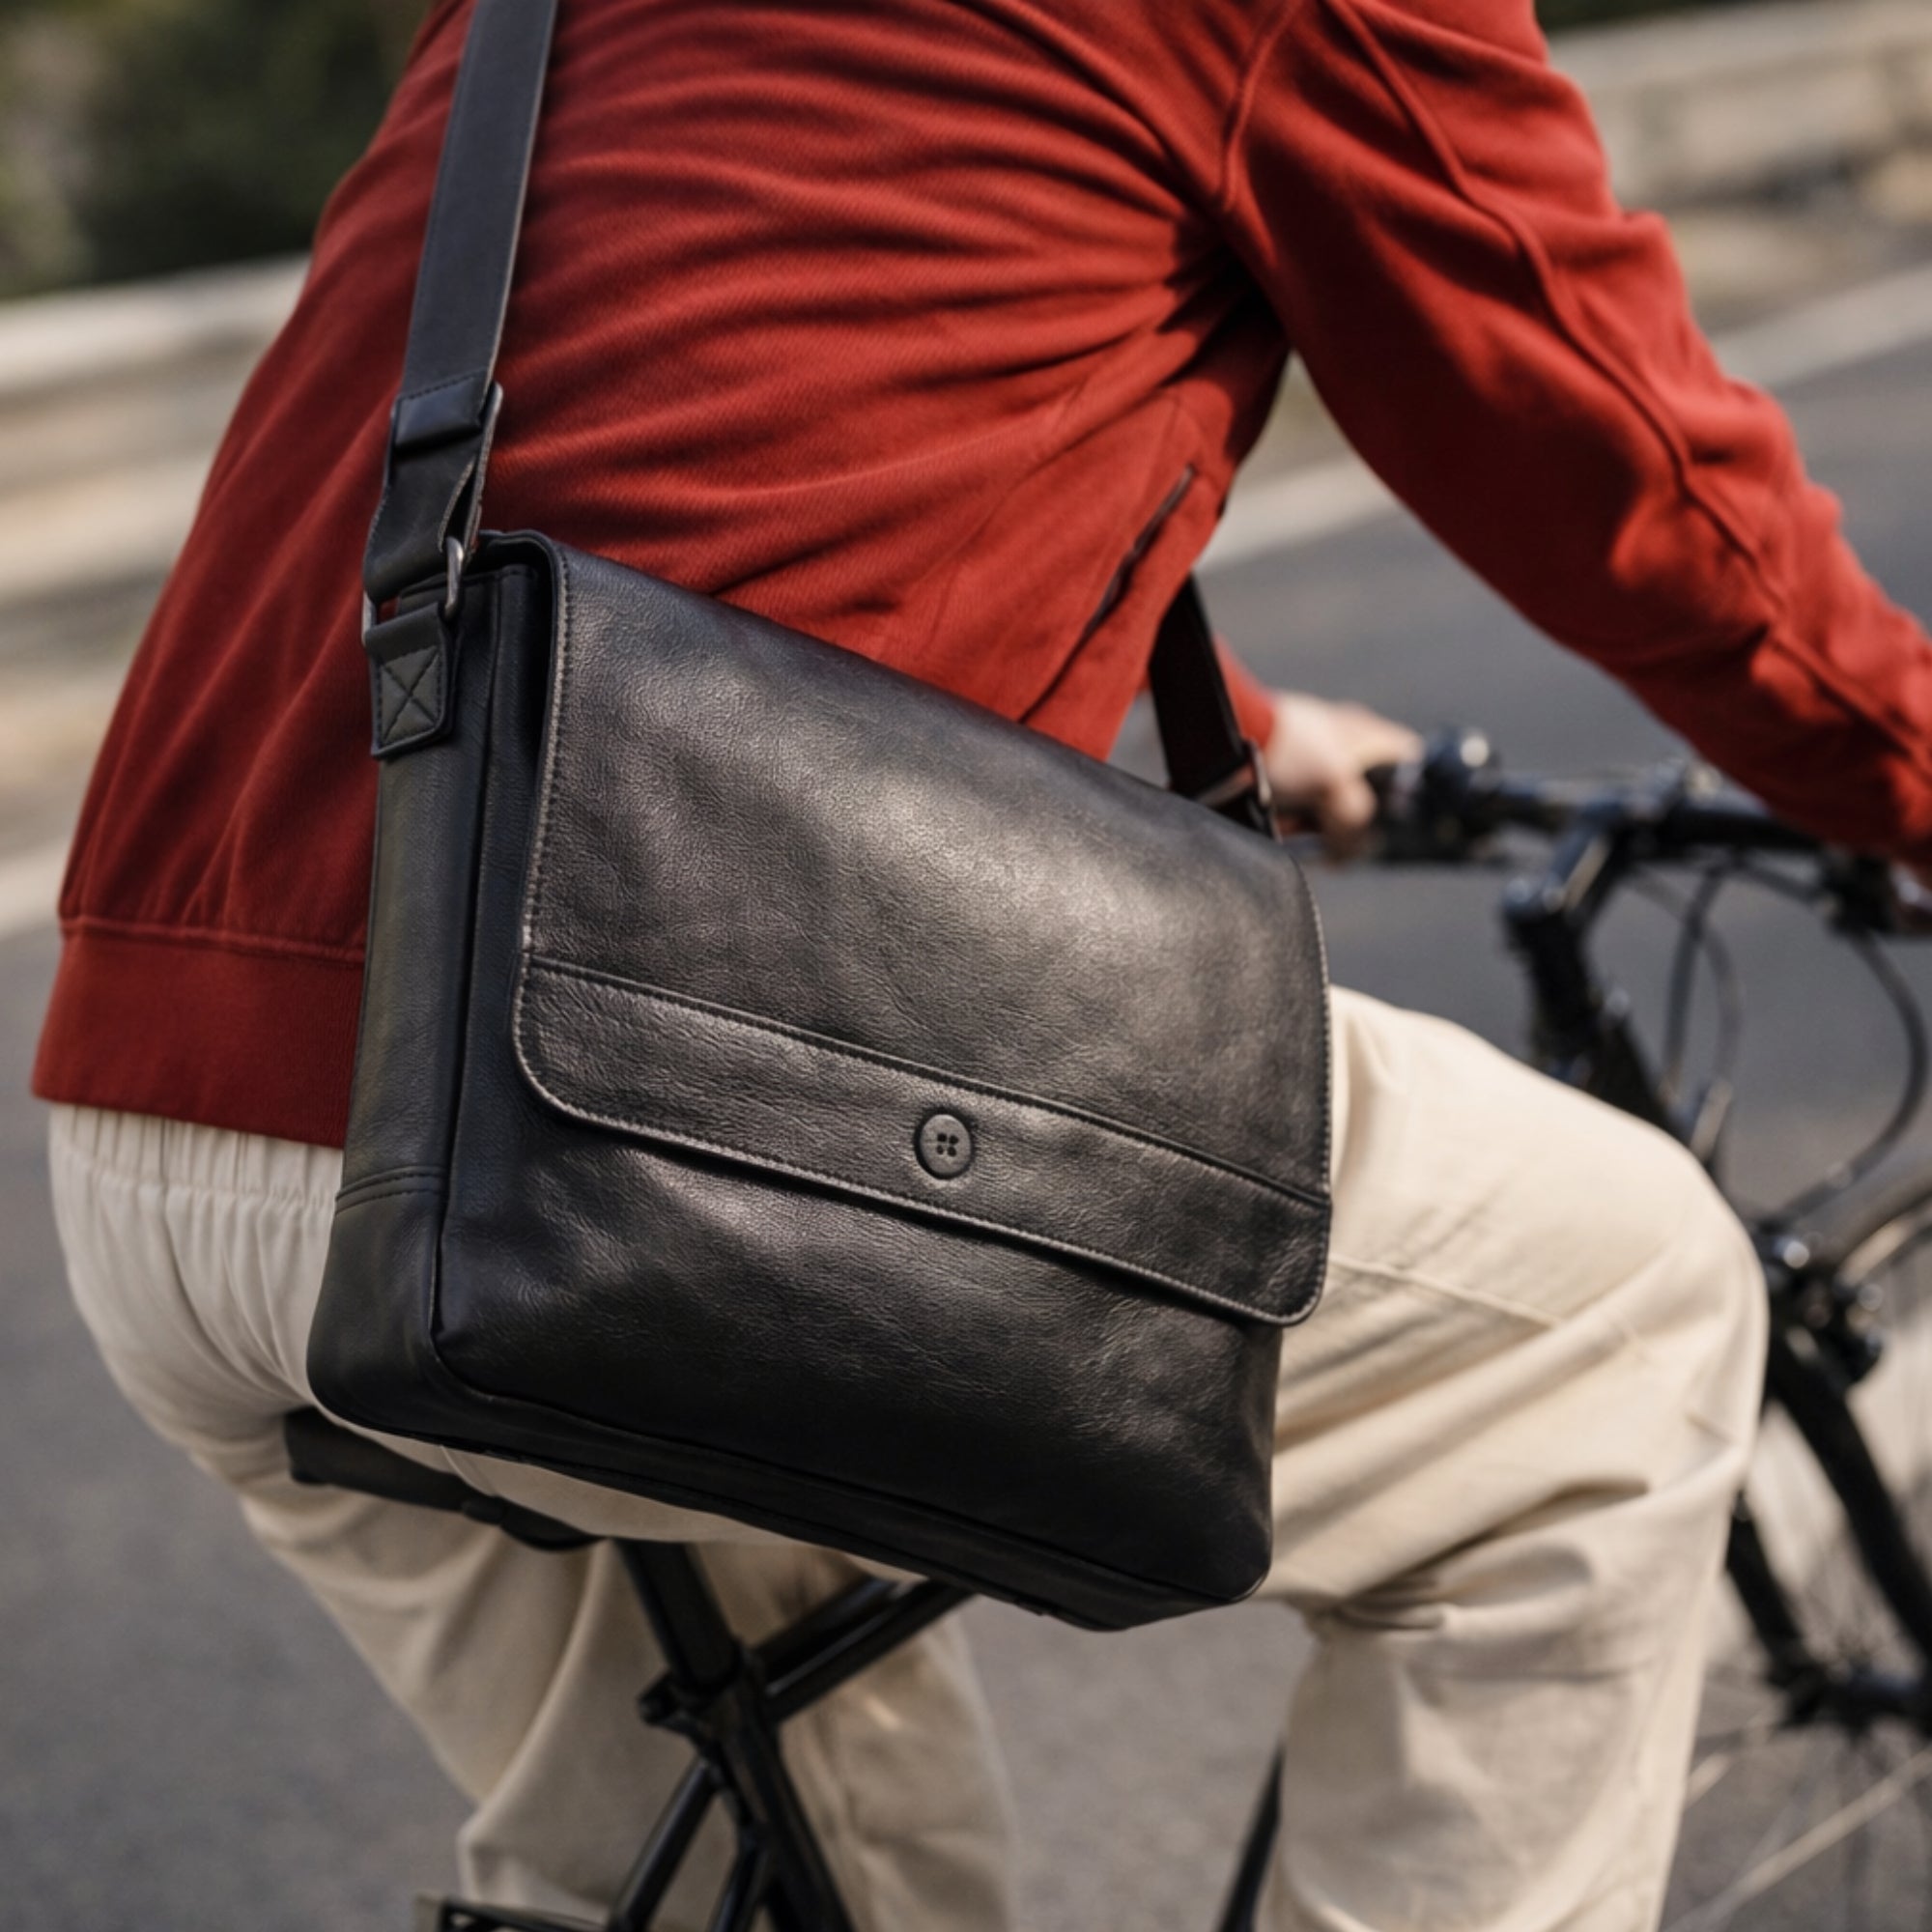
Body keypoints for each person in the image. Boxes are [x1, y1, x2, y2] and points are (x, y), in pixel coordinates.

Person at [34, 0, 1932, 1925]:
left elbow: (683, 387)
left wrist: (1247, 716)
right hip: (607, 1123)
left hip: (179, 1112)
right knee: (1623, 1312)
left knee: (818, 1871)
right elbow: (1639, 481)